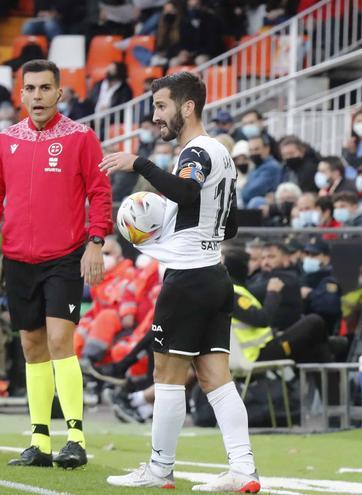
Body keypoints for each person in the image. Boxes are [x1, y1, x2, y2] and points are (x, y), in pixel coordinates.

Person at [97, 71, 261, 493]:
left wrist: (140, 164)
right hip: (215, 275)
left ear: (187, 107)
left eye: (161, 106)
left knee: (167, 379)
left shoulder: (195, 152)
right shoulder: (221, 152)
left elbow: (186, 194)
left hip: (188, 279)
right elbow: (232, 226)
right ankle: (243, 470)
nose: (156, 116)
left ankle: (159, 469)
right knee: (214, 379)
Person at [0, 59, 112, 469]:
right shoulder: (4, 141)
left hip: (65, 257)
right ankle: (39, 442)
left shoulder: (81, 138)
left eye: (45, 88)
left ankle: (76, 438)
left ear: (59, 93)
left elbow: (99, 193)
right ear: (21, 94)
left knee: (58, 342)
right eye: (30, 88)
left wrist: (96, 242)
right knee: (31, 348)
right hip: (17, 258)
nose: (37, 96)